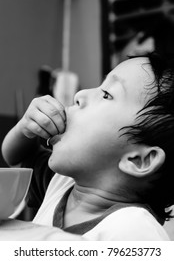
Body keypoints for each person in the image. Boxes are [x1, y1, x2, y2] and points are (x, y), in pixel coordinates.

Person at [1, 52, 173, 241]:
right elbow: (17, 160)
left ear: (138, 160)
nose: (79, 94)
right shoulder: (61, 183)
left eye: (106, 94)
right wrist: (25, 129)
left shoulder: (136, 232)